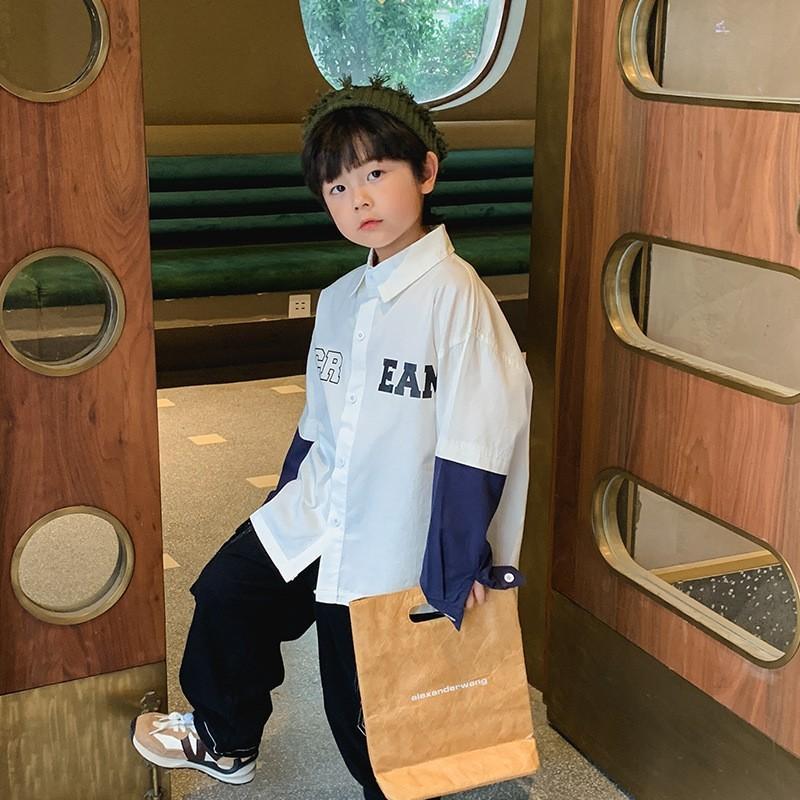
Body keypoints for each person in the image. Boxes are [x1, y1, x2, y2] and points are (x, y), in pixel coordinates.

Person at [131, 76, 532, 800]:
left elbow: (479, 444)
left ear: (427, 171)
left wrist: (457, 566)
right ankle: (227, 740)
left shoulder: (459, 302)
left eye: (376, 174)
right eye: (339, 188)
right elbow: (317, 423)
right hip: (319, 510)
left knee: (366, 715)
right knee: (228, 593)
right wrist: (280, 508)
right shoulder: (342, 299)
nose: (360, 201)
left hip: (394, 545)